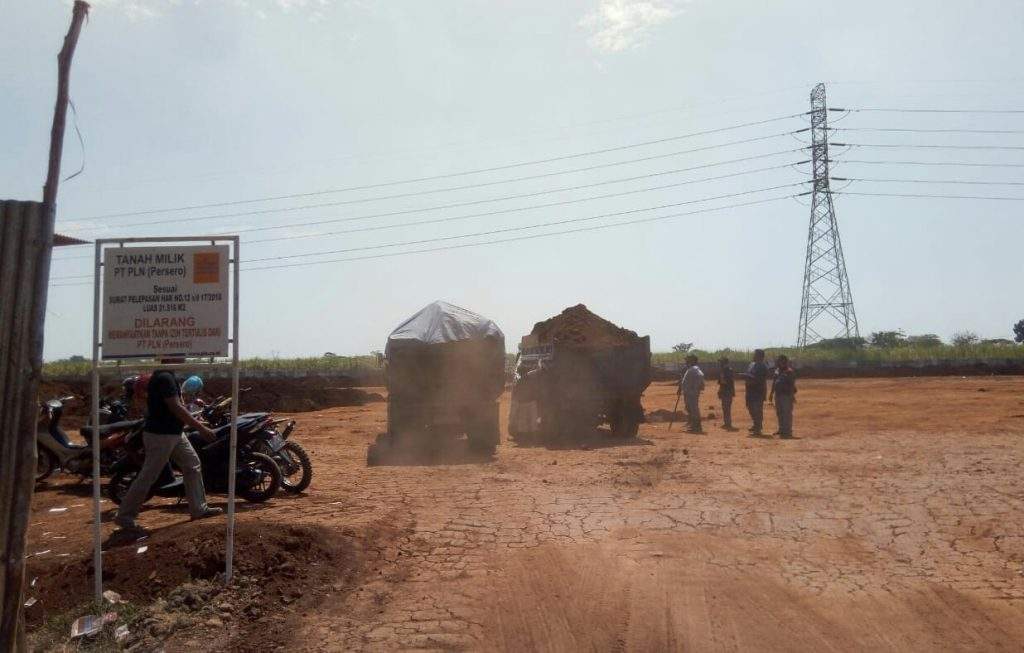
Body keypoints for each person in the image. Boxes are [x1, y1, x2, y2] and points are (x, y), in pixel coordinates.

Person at [114, 369, 222, 535]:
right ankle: (125, 515)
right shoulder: (165, 377)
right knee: (149, 475)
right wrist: (201, 428)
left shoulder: (167, 376)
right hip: (161, 434)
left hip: (174, 432)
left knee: (192, 464)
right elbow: (175, 406)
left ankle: (199, 509)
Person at [738, 349, 769, 436]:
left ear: (760, 356)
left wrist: (746, 376)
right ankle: (756, 424)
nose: (753, 356)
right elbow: (749, 374)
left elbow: (759, 379)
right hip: (750, 390)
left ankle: (758, 428)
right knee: (750, 408)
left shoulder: (763, 366)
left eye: (755, 354)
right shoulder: (752, 365)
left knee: (757, 410)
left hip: (758, 391)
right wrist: (744, 375)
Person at [769, 354, 797, 438]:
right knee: (779, 413)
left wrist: (792, 396)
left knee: (787, 413)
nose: (778, 362)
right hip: (778, 395)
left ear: (784, 361)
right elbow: (774, 383)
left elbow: (792, 385)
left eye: (780, 360)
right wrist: (771, 393)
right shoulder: (777, 371)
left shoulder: (789, 371)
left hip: (786, 395)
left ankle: (787, 431)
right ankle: (781, 429)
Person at [678, 354, 705, 433]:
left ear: (692, 361)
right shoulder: (690, 368)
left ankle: (697, 427)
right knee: (690, 409)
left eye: (688, 360)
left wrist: (695, 388)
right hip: (689, 393)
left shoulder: (694, 368)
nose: (686, 361)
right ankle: (694, 426)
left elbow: (700, 376)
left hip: (692, 393)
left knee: (694, 410)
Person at [717, 357, 736, 430]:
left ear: (724, 363)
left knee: (726, 407)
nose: (720, 364)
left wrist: (721, 390)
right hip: (726, 391)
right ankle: (726, 422)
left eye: (721, 362)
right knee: (725, 407)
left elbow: (726, 382)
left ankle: (728, 423)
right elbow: (722, 382)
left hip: (727, 392)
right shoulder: (725, 370)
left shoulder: (727, 370)